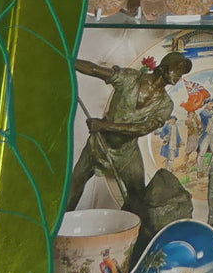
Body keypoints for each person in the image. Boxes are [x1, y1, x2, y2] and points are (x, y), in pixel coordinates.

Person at [67, 52, 192, 211]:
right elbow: (95, 70)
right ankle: (63, 222)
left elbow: (143, 128)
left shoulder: (165, 104)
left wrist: (105, 126)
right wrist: (68, 62)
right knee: (74, 185)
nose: (179, 76)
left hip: (127, 153)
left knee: (137, 197)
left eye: (182, 73)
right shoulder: (130, 78)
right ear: (163, 68)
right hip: (97, 145)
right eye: (178, 70)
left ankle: (126, 224)